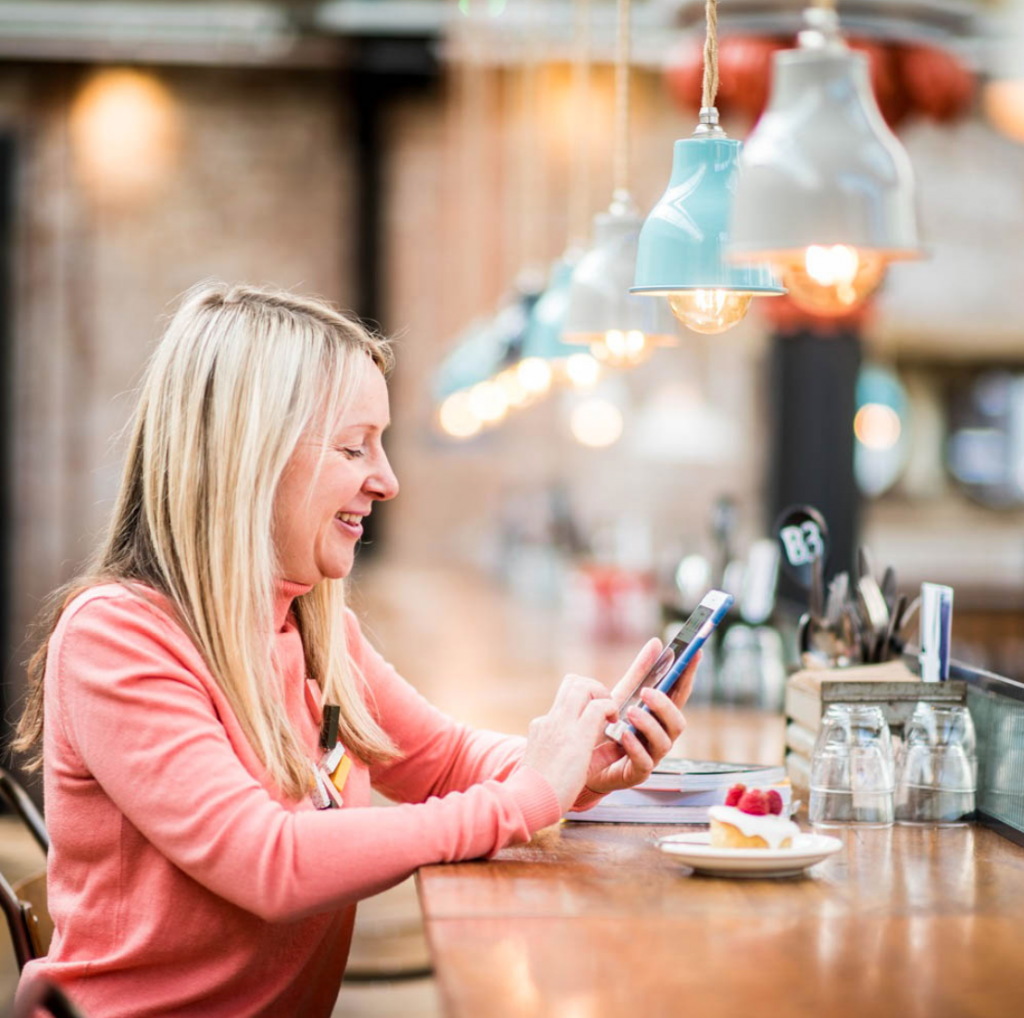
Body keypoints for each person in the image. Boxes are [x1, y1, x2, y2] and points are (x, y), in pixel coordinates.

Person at [12, 283, 696, 1017]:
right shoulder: (116, 638)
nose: (388, 480)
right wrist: (527, 797)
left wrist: (577, 766)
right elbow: (270, 863)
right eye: (352, 446)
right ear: (249, 455)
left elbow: (446, 763)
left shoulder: (315, 629)